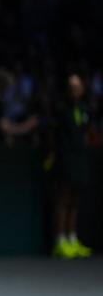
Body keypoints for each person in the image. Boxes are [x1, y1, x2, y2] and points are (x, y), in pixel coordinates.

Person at [47, 73, 92, 259]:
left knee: (74, 201)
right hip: (65, 160)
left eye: (78, 87)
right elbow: (54, 136)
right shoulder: (61, 109)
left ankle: (72, 239)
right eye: (72, 87)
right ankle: (60, 241)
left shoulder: (84, 109)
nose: (75, 90)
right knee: (63, 200)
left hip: (80, 159)